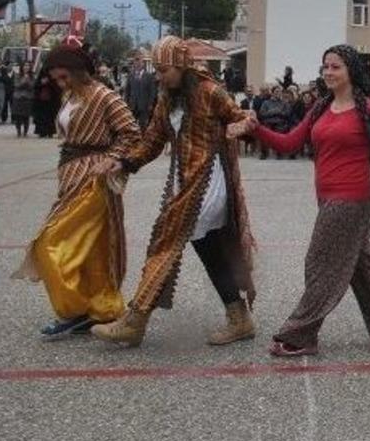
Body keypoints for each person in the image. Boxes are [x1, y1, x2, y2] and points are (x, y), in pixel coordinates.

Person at [244, 45, 370, 356]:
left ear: (351, 71)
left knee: (320, 262)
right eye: (325, 66)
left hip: (351, 198)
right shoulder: (320, 108)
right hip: (326, 197)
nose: (328, 72)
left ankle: (301, 334)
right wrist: (258, 130)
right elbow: (290, 143)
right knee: (361, 262)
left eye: (336, 67)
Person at [91, 36, 257, 348]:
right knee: (207, 248)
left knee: (166, 242)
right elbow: (152, 141)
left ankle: (135, 320)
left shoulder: (210, 92)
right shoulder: (166, 98)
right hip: (183, 182)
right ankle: (239, 318)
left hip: (209, 182)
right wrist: (123, 162)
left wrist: (242, 126)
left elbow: (243, 116)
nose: (159, 76)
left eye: (164, 70)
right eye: (156, 70)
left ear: (181, 66)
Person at [12, 42, 141, 338]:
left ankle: (74, 309)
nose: (60, 83)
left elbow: (132, 134)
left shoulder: (105, 96)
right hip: (71, 176)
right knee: (92, 249)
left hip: (94, 182)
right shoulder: (69, 95)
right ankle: (100, 310)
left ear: (78, 70)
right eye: (56, 78)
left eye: (64, 77)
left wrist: (111, 159)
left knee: (49, 243)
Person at [123, 55, 157, 130]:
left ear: (143, 63)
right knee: (132, 126)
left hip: (144, 106)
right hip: (132, 105)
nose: (137, 64)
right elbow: (127, 91)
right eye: (136, 62)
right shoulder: (130, 76)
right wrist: (126, 103)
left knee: (143, 126)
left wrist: (151, 104)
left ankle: (143, 136)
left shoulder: (149, 76)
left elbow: (152, 91)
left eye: (139, 62)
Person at [32, 70, 60, 138]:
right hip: (40, 101)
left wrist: (49, 83)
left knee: (50, 118)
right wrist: (41, 83)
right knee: (41, 117)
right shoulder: (39, 79)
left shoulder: (53, 79)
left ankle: (50, 132)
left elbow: (56, 88)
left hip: (50, 101)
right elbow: (35, 87)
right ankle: (41, 132)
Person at [11, 67, 35, 138]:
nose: (26, 67)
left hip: (27, 98)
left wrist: (28, 80)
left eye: (28, 66)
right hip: (18, 97)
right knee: (18, 116)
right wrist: (24, 80)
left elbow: (32, 86)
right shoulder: (17, 75)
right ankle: (18, 131)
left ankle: (25, 132)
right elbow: (17, 85)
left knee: (26, 116)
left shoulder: (32, 76)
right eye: (25, 66)